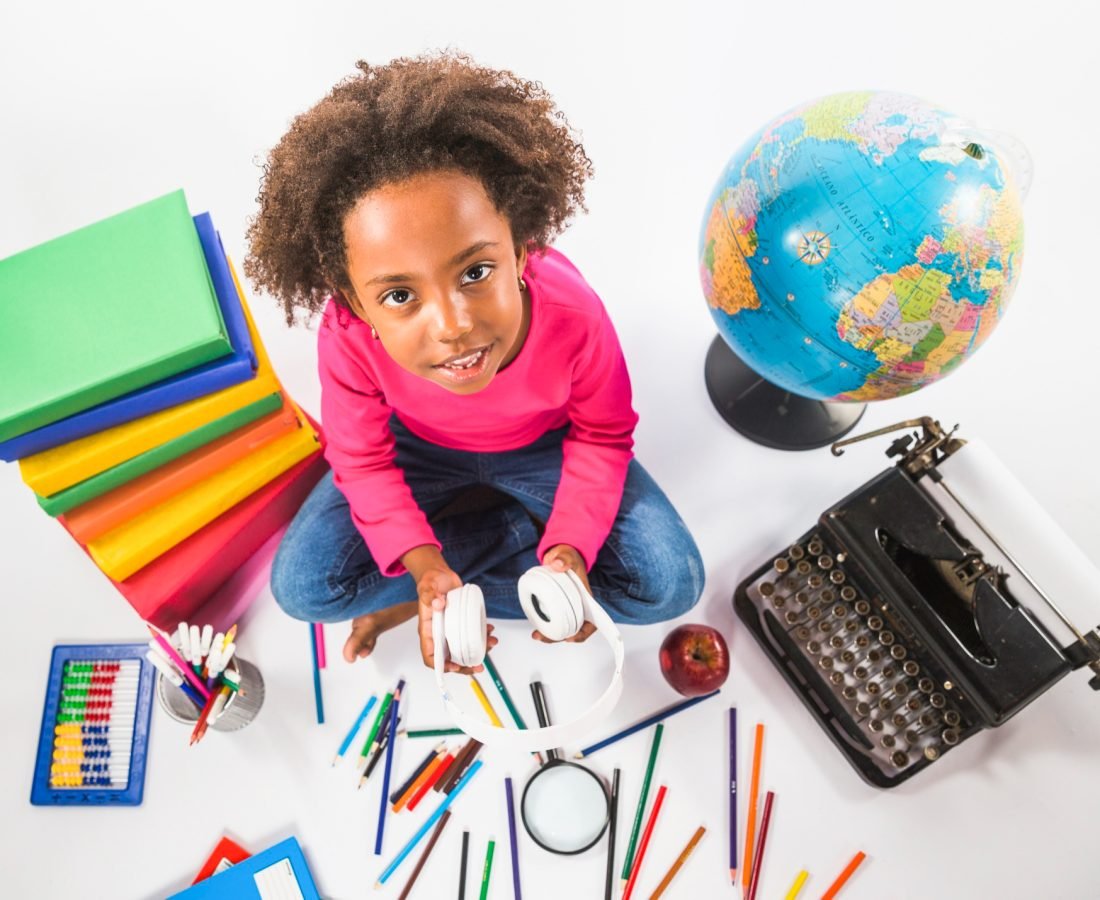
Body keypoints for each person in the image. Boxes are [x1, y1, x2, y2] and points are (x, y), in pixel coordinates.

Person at [245, 51, 704, 674]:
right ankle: (457, 575)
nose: (454, 325)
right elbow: (361, 460)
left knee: (670, 585)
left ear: (520, 249)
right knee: (304, 589)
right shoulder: (347, 335)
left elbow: (602, 434)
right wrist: (423, 567)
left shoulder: (574, 314)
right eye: (400, 296)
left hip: (547, 448)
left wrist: (568, 548)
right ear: (356, 302)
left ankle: (463, 573)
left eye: (476, 271)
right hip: (418, 451)